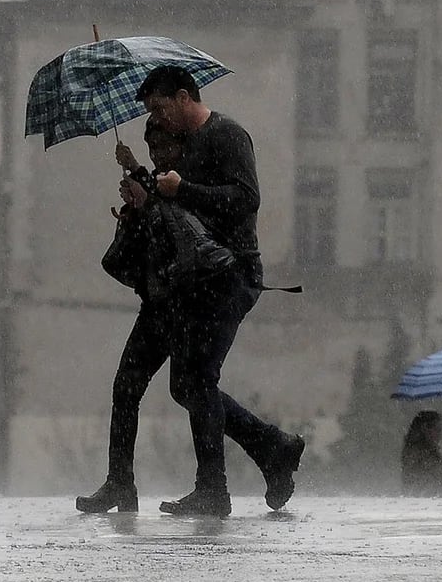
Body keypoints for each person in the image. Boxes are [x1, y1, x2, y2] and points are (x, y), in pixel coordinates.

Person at [76, 67, 304, 517]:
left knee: (194, 382)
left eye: (161, 109)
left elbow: (244, 200)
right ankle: (124, 481)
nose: (157, 122)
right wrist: (141, 199)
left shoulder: (228, 135)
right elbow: (171, 222)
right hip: (176, 287)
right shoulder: (171, 151)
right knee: (137, 383)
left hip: (227, 277)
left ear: (184, 97)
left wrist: (182, 189)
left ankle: (217, 487)